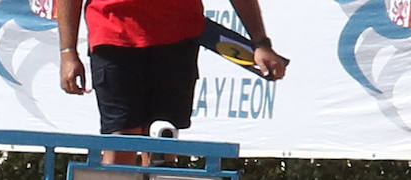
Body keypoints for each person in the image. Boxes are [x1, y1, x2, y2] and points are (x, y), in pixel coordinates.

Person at [57, 0, 287, 165]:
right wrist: (68, 52)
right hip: (114, 36)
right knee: (121, 141)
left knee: (163, 140)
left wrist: (260, 43)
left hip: (178, 36)